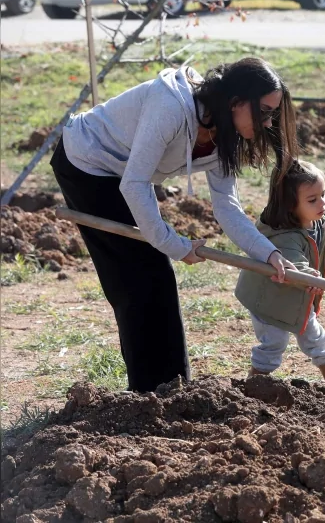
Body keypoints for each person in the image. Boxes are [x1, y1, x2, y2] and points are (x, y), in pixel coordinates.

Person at [50, 57, 299, 393]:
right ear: (236, 102)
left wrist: (269, 254)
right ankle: (150, 395)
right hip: (87, 162)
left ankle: (172, 390)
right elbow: (135, 184)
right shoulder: (171, 105)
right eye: (265, 112)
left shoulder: (225, 134)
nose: (269, 123)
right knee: (138, 278)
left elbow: (227, 207)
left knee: (153, 275)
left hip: (125, 173)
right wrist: (175, 246)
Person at [234, 160, 325, 396]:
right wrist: (311, 277)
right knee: (274, 343)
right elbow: (293, 268)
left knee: (315, 337)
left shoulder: (319, 222)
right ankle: (254, 385)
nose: (322, 203)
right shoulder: (283, 235)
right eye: (312, 199)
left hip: (297, 297)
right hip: (269, 299)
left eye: (323, 195)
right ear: (289, 205)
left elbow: (319, 253)